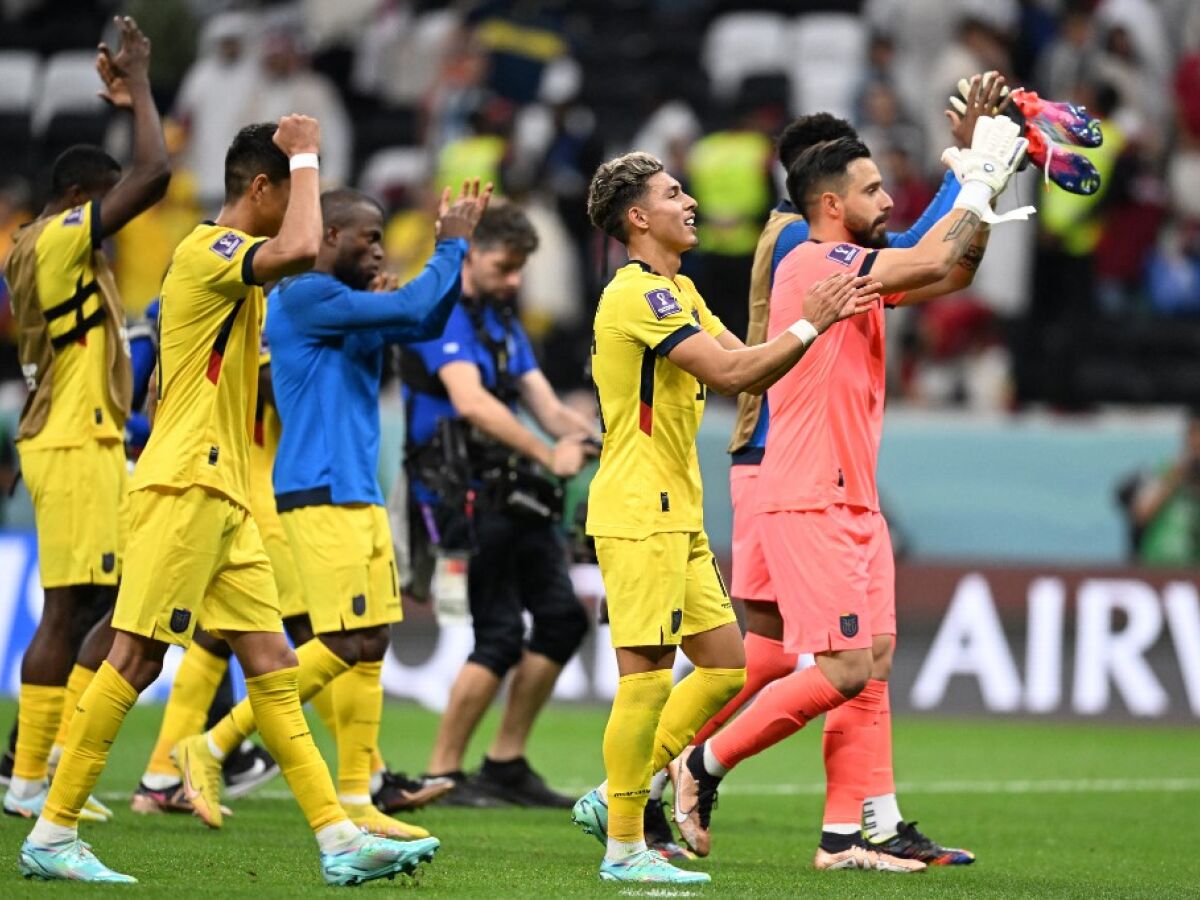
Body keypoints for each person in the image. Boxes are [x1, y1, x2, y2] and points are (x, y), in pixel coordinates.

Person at [17, 117, 439, 886]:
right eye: (291, 191)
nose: (300, 206)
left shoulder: (230, 264)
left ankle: (337, 839)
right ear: (260, 188)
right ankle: (52, 827)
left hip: (226, 492)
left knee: (273, 663)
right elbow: (305, 246)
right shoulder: (210, 251)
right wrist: (309, 153)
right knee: (136, 656)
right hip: (183, 486)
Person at [672, 119, 1028, 872]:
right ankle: (701, 765)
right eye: (872, 189)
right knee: (838, 668)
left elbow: (949, 271)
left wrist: (983, 198)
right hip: (807, 491)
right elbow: (931, 254)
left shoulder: (855, 261)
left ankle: (845, 838)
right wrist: (975, 180)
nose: (887, 198)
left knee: (874, 657)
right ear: (830, 202)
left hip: (854, 494)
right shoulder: (809, 259)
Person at [569, 151, 880, 885]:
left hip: (676, 509)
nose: (691, 202)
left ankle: (614, 793)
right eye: (674, 193)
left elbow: (755, 363)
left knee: (724, 664)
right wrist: (810, 321)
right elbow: (736, 374)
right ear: (638, 218)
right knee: (644, 679)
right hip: (636, 508)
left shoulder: (682, 292)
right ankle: (623, 845)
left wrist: (820, 332)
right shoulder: (638, 298)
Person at [175, 182, 490, 833]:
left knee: (370, 644)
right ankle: (208, 746)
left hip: (355, 489)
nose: (377, 250)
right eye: (366, 238)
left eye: (380, 239)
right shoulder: (306, 294)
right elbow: (418, 305)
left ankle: (358, 800)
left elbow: (421, 318)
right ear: (326, 239)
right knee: (342, 640)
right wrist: (452, 242)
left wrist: (407, 294)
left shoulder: (337, 301)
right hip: (319, 490)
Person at [2, 16, 170, 823]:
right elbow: (154, 175)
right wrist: (137, 85)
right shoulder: (57, 241)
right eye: (106, 207)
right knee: (73, 605)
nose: (116, 221)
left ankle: (46, 760)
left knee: (98, 599)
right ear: (78, 200)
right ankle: (30, 772)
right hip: (71, 439)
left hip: (82, 439)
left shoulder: (52, 250)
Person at [402, 201, 594, 808]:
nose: (515, 280)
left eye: (520, 270)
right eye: (506, 266)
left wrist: (592, 438)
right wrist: (548, 453)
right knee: (501, 634)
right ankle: (443, 771)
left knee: (562, 620)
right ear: (474, 253)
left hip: (513, 492)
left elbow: (544, 402)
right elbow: (474, 404)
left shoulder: (500, 320)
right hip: (463, 495)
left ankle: (505, 764)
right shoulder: (440, 314)